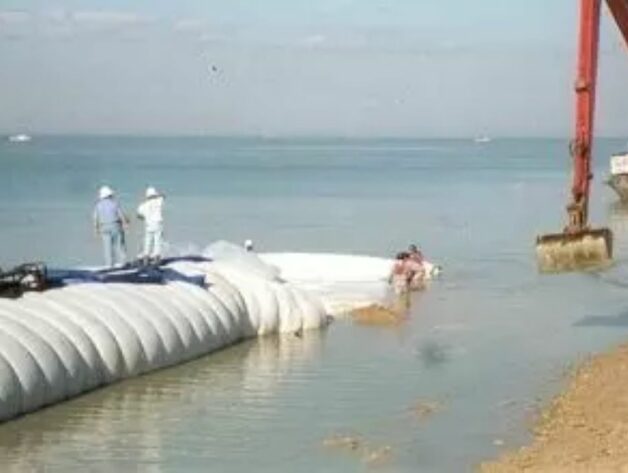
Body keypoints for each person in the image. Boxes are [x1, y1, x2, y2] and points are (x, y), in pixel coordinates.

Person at [93, 185, 128, 268]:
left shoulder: (98, 205)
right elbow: (120, 215)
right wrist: (125, 223)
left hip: (103, 227)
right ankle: (122, 263)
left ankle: (109, 264)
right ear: (109, 195)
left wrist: (96, 229)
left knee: (107, 247)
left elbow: (95, 218)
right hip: (115, 225)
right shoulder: (114, 203)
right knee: (119, 245)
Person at [137, 186, 164, 264]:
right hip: (157, 224)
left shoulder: (143, 205)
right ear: (154, 195)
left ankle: (146, 257)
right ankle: (156, 257)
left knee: (148, 241)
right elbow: (163, 195)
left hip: (148, 225)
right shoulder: (158, 201)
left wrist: (144, 217)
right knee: (157, 241)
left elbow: (138, 215)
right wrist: (157, 195)